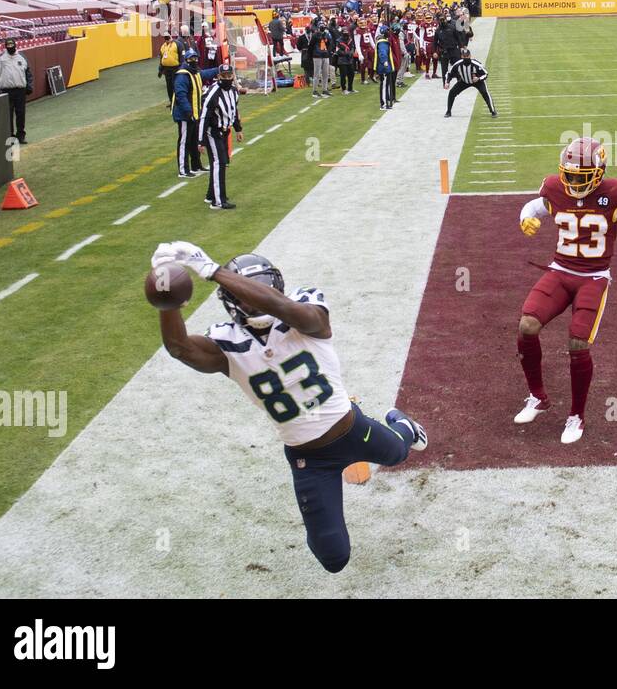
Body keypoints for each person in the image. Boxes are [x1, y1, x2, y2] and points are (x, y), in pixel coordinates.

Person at [150, 243, 427, 572]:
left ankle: (404, 427)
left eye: (265, 288)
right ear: (231, 300)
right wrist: (167, 298)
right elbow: (179, 348)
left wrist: (214, 271)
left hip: (353, 429)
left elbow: (292, 312)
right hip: (309, 459)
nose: (258, 296)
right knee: (334, 558)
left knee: (398, 453)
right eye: (250, 291)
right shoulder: (225, 342)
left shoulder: (305, 306)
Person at [513, 138, 617, 444]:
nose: (573, 182)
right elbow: (534, 206)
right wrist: (525, 218)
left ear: (598, 172)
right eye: (569, 175)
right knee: (527, 325)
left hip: (593, 276)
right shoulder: (555, 188)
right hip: (560, 270)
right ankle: (537, 397)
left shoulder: (614, 194)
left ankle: (576, 416)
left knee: (578, 342)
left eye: (580, 177)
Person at [198, 63, 243, 210]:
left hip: (225, 131)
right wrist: (201, 141)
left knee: (221, 163)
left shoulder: (234, 91)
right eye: (224, 76)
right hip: (213, 132)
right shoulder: (212, 94)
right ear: (218, 77)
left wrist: (238, 129)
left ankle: (211, 194)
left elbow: (234, 111)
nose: (227, 79)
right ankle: (217, 201)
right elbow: (203, 118)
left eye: (230, 76)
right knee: (219, 163)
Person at [172, 50, 208, 177]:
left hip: (194, 113)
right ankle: (183, 170)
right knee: (184, 142)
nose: (194, 61)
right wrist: (189, 112)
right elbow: (181, 96)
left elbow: (205, 73)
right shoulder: (182, 75)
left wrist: (219, 69)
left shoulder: (194, 72)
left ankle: (196, 166)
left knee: (193, 141)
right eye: (192, 59)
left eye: (195, 58)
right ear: (186, 60)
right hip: (185, 115)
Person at [0, 37, 32, 145]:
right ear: (5, 47)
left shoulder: (22, 57)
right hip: (6, 90)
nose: (10, 48)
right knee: (8, 115)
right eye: (8, 46)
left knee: (21, 114)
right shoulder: (0, 58)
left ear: (15, 46)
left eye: (12, 46)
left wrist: (29, 86)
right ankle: (10, 136)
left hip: (20, 90)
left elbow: (28, 72)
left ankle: (21, 136)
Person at [445, 49, 497, 118]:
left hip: (478, 82)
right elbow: (449, 73)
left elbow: (485, 74)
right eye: (464, 56)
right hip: (464, 81)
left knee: (485, 93)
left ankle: (493, 111)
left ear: (470, 55)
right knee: (452, 92)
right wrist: (447, 82)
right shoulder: (458, 64)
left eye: (467, 56)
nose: (466, 58)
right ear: (461, 56)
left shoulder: (476, 64)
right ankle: (448, 111)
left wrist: (478, 78)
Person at [376, 28, 399, 109]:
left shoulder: (385, 41)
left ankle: (387, 101)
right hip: (384, 67)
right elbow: (383, 53)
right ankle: (384, 104)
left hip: (387, 67)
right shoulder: (382, 43)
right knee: (384, 85)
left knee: (387, 85)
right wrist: (385, 62)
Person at [310, 21, 333, 97]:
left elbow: (329, 44)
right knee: (317, 74)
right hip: (317, 55)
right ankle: (314, 90)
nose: (322, 28)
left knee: (325, 74)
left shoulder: (327, 35)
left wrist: (328, 52)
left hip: (325, 55)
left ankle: (324, 89)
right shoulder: (315, 35)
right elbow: (311, 46)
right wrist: (312, 55)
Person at [158, 31, 181, 106]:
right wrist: (160, 70)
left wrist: (181, 68)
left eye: (168, 37)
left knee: (175, 85)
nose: (167, 39)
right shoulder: (163, 46)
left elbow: (182, 57)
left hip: (175, 68)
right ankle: (171, 101)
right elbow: (162, 59)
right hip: (167, 69)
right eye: (165, 38)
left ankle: (177, 100)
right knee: (169, 86)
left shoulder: (177, 44)